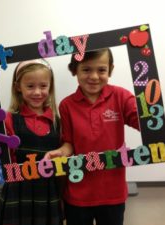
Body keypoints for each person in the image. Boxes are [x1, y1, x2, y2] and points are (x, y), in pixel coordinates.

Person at [44, 48, 140, 225]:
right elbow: (69, 144)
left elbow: (145, 123)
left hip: (113, 193)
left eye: (101, 70)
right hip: (77, 194)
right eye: (86, 69)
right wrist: (61, 152)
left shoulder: (122, 96)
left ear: (110, 70)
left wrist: (152, 106)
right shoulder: (66, 105)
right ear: (75, 70)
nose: (94, 76)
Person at [0, 59, 63, 225]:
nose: (37, 92)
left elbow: (65, 151)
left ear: (50, 86)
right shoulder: (8, 120)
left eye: (43, 86)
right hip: (17, 190)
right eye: (30, 86)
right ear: (18, 87)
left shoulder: (57, 121)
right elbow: (1, 158)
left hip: (48, 190)